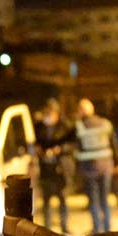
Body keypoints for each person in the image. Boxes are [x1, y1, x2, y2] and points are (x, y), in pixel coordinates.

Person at [72, 98, 117, 234]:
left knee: (94, 199)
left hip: (89, 168)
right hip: (106, 166)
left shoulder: (79, 126)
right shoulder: (105, 124)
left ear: (81, 110)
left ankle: (97, 229)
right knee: (104, 198)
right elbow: (114, 144)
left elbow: (74, 145)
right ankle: (107, 228)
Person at [32, 98, 72, 228]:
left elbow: (72, 145)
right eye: (46, 113)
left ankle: (64, 225)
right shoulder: (39, 127)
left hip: (60, 168)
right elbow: (35, 143)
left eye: (51, 113)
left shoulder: (65, 126)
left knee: (62, 198)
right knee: (46, 199)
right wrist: (39, 150)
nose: (48, 116)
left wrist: (59, 149)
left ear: (57, 114)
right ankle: (47, 227)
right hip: (45, 168)